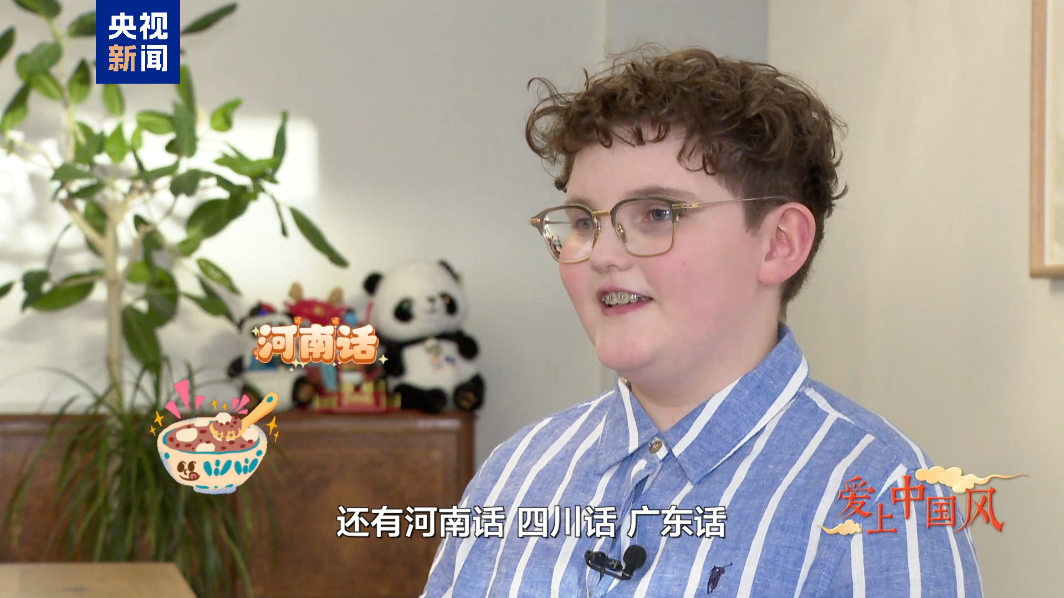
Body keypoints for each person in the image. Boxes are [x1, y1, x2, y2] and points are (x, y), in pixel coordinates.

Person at [421, 46, 982, 597]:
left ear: (779, 243)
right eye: (583, 222)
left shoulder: (884, 497)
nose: (601, 255)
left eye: (656, 214)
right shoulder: (516, 472)